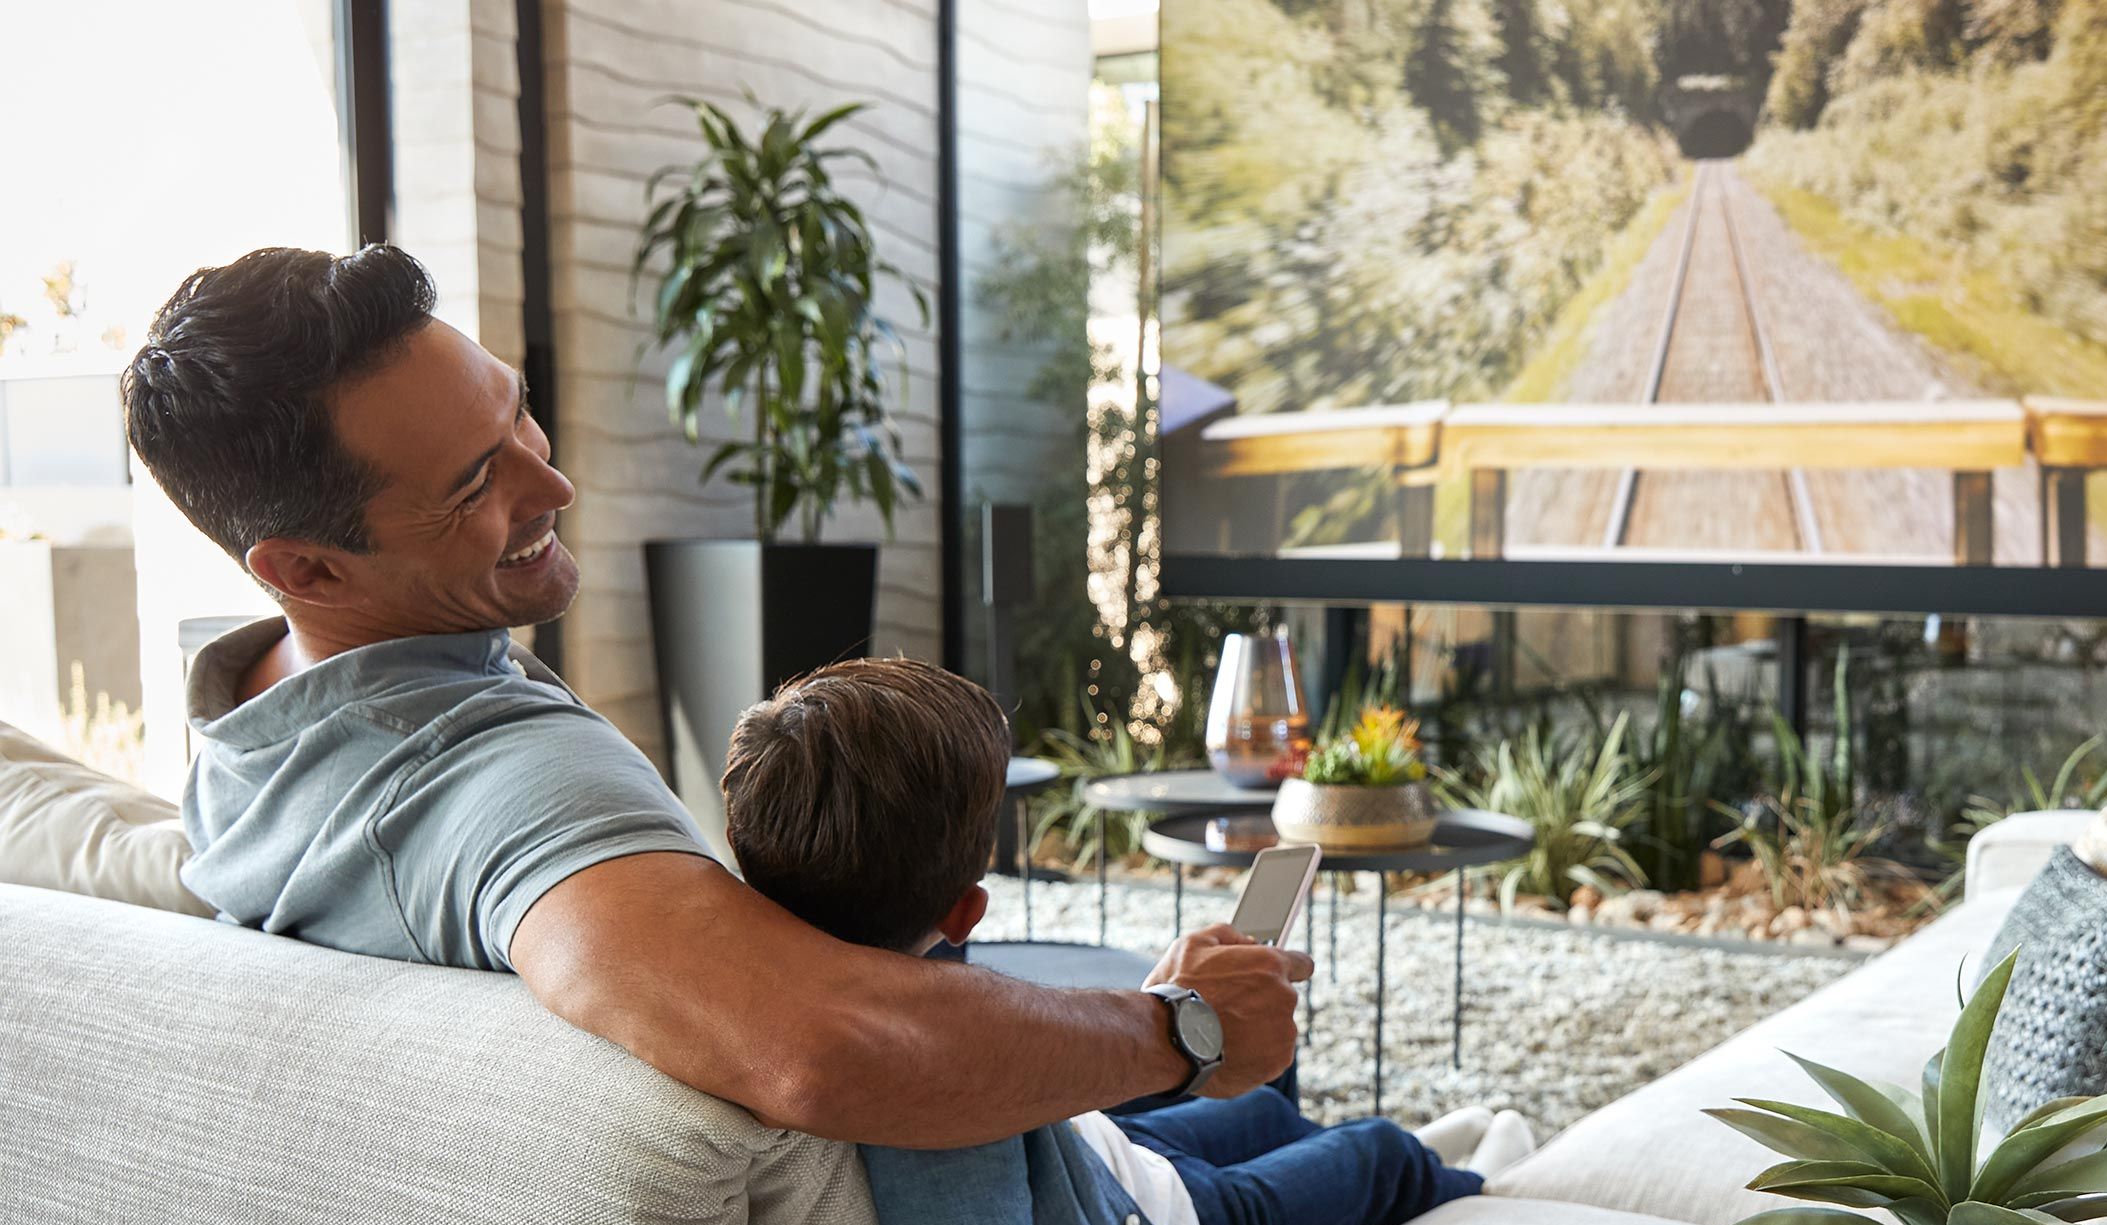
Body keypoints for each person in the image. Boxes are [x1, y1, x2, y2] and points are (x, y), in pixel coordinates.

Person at [122, 242, 1307, 1150]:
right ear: (306, 568)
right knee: (1292, 1106)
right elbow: (819, 1046)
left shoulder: (246, 713)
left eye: (516, 410)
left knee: (1236, 1094)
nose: (557, 479)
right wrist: (1181, 1030)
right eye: (479, 481)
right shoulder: (507, 790)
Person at [716, 658, 1531, 1225]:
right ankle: (1481, 1188)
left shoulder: (753, 990)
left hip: (1096, 1158)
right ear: (967, 912)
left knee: (1264, 1107)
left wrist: (1157, 1010)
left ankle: (1393, 1151)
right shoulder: (935, 1076)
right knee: (1375, 1153)